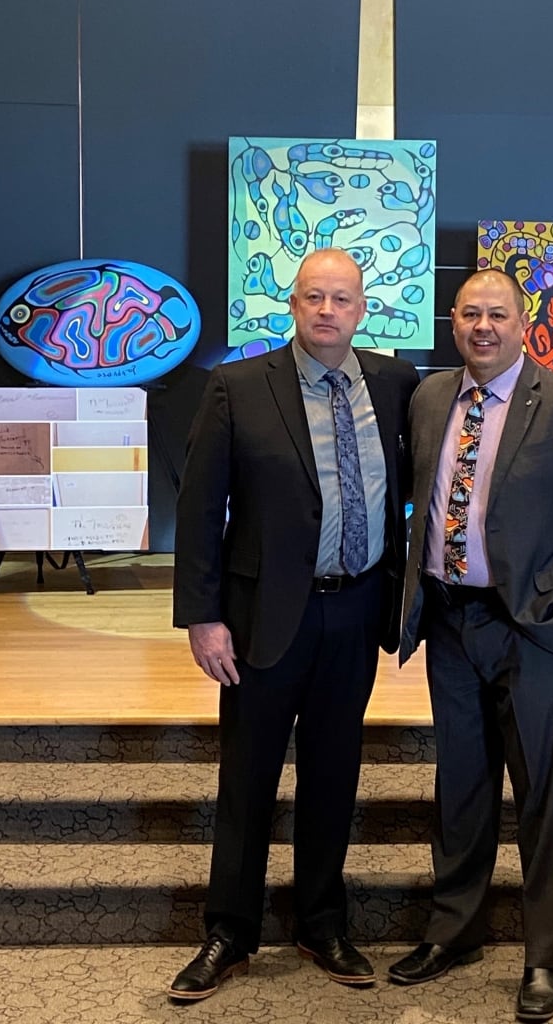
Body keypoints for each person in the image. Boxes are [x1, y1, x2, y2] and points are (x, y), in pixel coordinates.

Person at [388, 269, 553, 1022]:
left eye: (497, 314)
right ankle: (456, 931)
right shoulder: (433, 397)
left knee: (541, 795)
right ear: (454, 321)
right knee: (460, 790)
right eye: (470, 313)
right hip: (448, 622)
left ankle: (544, 954)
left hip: (530, 628)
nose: (482, 327)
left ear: (523, 321)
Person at [168, 248, 418, 1001]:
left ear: (362, 309)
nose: (327, 310)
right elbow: (199, 509)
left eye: (342, 298)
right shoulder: (238, 387)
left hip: (358, 608)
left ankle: (322, 923)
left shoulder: (396, 384)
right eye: (314, 296)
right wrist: (203, 617)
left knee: (335, 774)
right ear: (293, 303)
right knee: (248, 777)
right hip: (262, 620)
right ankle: (229, 932)